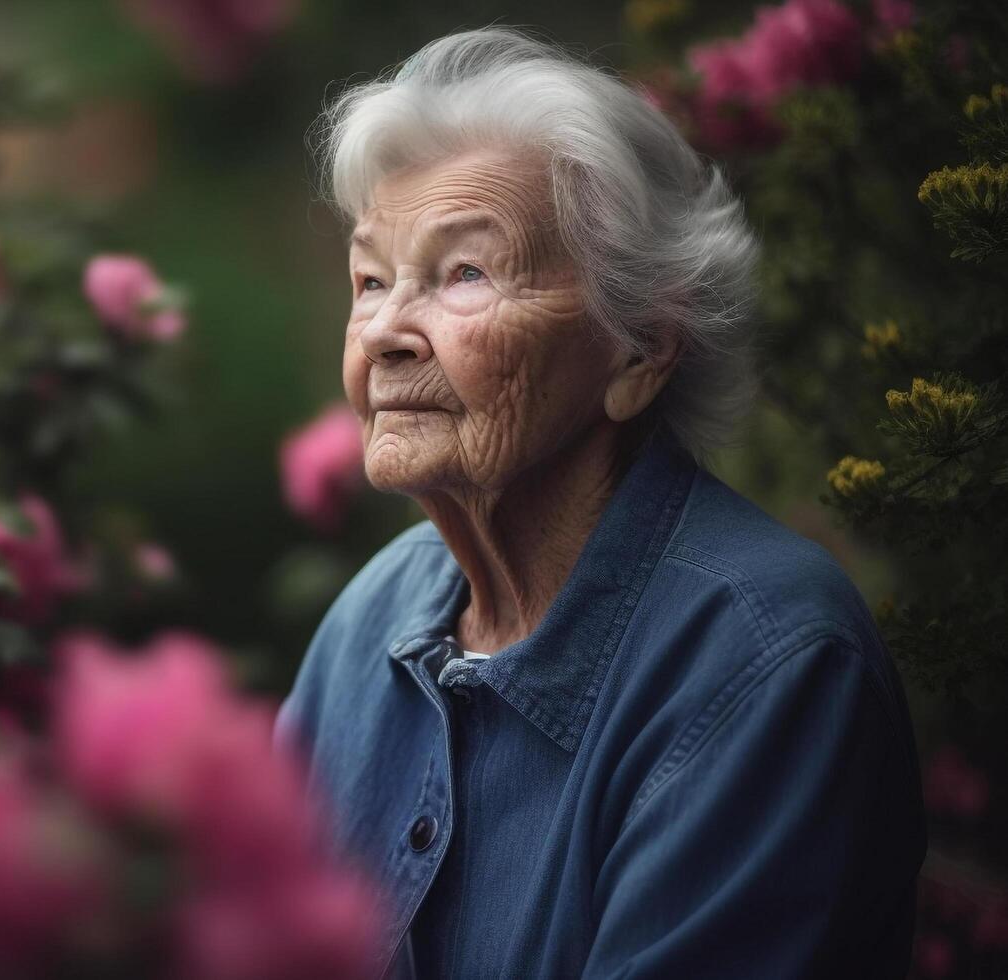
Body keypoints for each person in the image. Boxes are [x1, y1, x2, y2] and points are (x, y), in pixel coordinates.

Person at [272, 26, 925, 979]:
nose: (384, 335)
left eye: (465, 273)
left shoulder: (764, 661)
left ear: (640, 349)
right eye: (370, 280)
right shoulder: (370, 618)